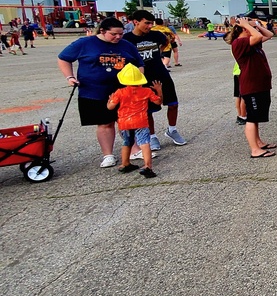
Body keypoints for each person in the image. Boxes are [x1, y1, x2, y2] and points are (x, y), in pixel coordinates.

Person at [57, 17, 143, 168]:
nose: (118, 37)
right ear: (102, 31)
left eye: (121, 34)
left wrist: (138, 83)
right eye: (114, 34)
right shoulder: (84, 43)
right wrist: (69, 77)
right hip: (94, 91)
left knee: (126, 121)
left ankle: (134, 150)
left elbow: (139, 64)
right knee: (105, 123)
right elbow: (63, 58)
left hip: (123, 90)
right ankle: (108, 155)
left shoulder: (127, 45)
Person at [122, 10, 187, 152]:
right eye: (146, 23)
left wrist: (158, 52)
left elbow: (166, 41)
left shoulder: (156, 35)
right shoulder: (127, 39)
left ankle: (172, 129)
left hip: (161, 73)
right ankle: (151, 136)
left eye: (151, 23)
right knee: (148, 109)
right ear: (136, 22)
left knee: (173, 104)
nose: (150, 26)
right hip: (142, 77)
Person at [227, 15, 277, 158]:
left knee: (256, 117)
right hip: (251, 86)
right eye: (249, 29)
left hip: (260, 85)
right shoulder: (239, 43)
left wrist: (256, 24)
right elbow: (256, 36)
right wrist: (247, 26)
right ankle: (255, 149)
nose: (253, 30)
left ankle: (259, 142)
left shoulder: (251, 42)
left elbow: (269, 34)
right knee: (252, 117)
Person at [107, 63, 161, 178]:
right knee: (144, 143)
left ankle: (125, 163)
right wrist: (158, 90)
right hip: (141, 121)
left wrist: (109, 100)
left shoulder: (119, 92)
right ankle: (147, 166)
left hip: (124, 122)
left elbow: (110, 107)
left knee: (127, 142)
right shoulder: (146, 91)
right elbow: (158, 102)